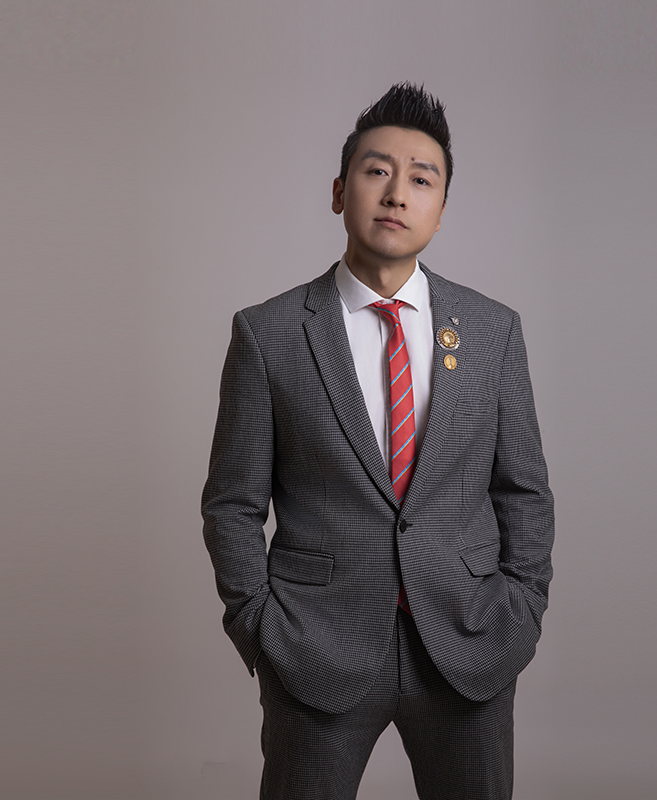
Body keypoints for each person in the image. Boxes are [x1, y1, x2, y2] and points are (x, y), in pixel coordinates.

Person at [202, 82, 554, 800]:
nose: (397, 193)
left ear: (441, 210)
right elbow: (231, 504)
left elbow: (523, 490)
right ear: (340, 192)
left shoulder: (491, 330)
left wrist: (521, 606)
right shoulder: (268, 333)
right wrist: (260, 625)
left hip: (467, 641)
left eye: (421, 179)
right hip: (317, 647)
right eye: (376, 171)